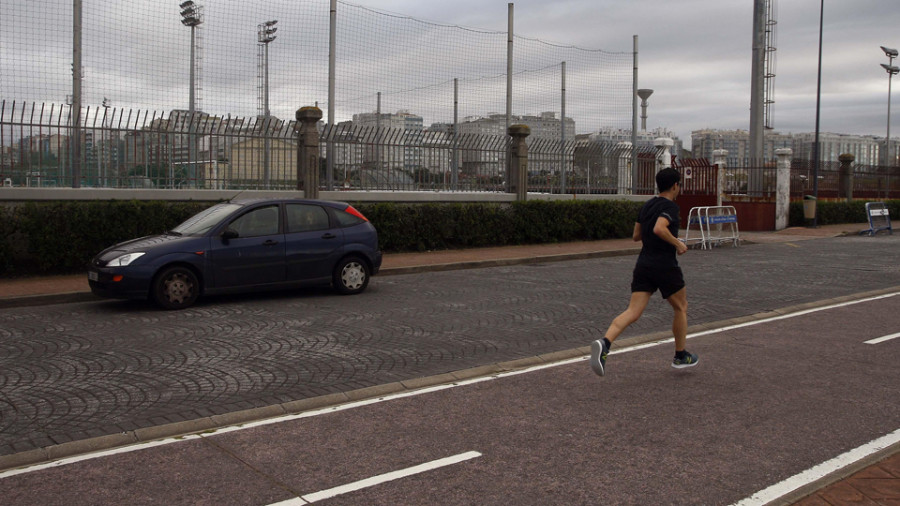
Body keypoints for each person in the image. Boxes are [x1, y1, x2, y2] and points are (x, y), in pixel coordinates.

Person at [590, 167, 698, 377]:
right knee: (681, 307)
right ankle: (680, 355)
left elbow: (636, 235)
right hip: (665, 264)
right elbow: (659, 228)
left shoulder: (648, 205)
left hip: (644, 263)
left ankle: (605, 343)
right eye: (679, 186)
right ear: (675, 185)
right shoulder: (670, 207)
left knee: (633, 311)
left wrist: (654, 232)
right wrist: (678, 243)